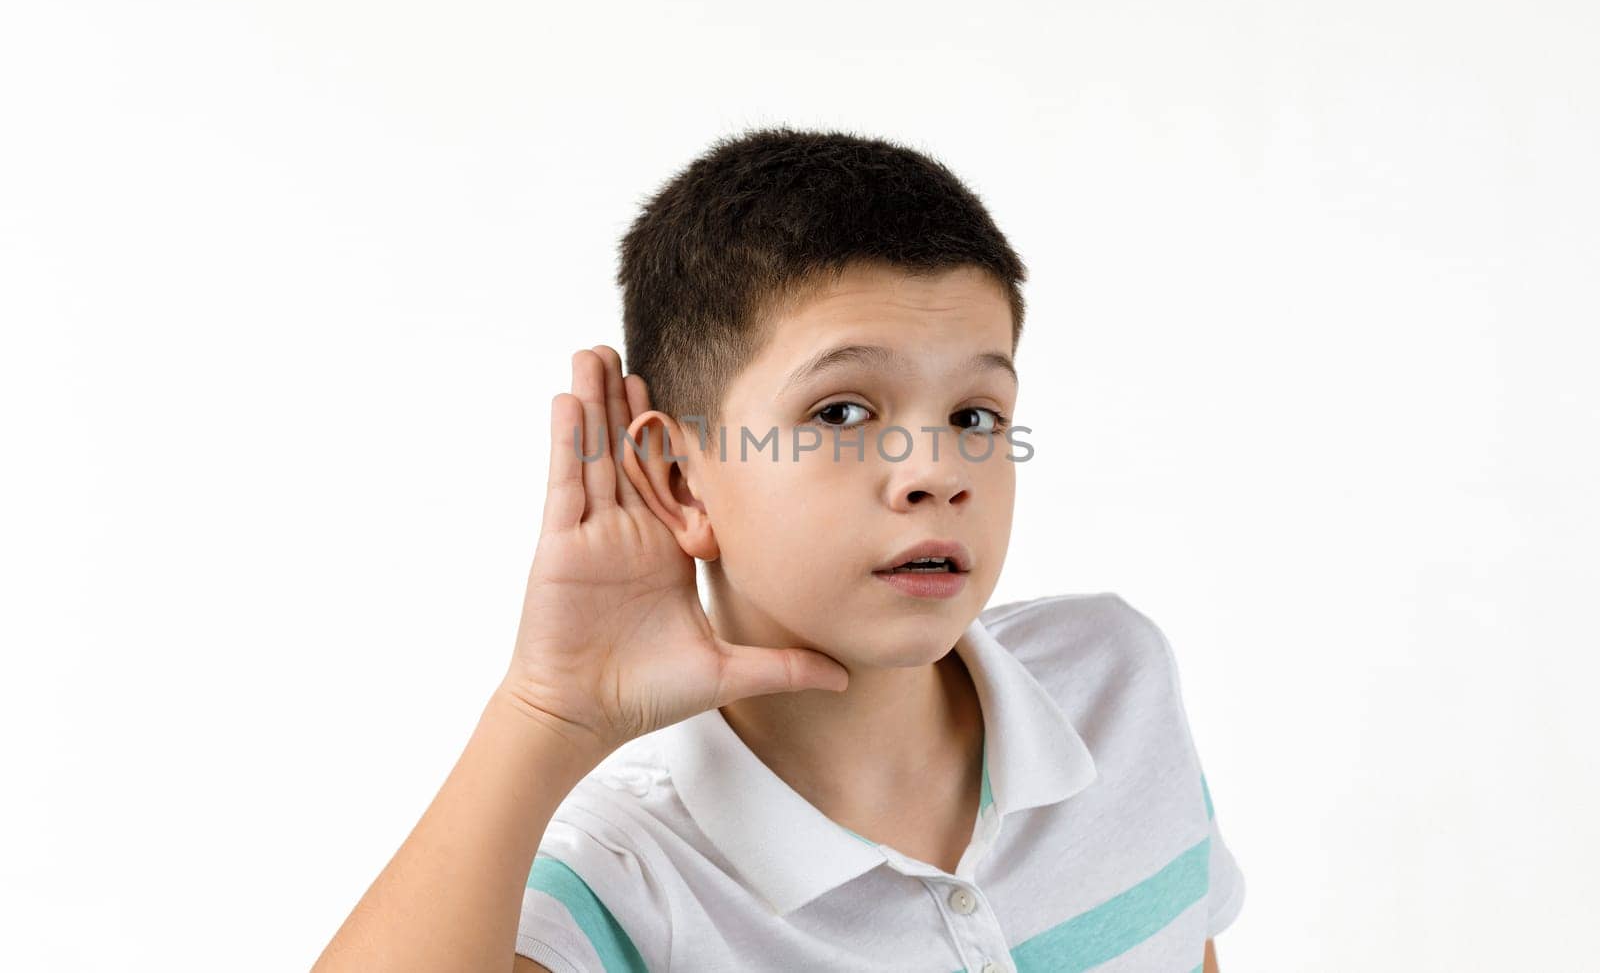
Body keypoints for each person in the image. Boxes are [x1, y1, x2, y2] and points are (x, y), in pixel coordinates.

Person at [312, 127, 1245, 973]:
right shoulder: (627, 881)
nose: (936, 471)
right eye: (842, 410)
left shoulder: (1114, 683)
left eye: (974, 414)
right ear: (680, 480)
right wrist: (546, 712)